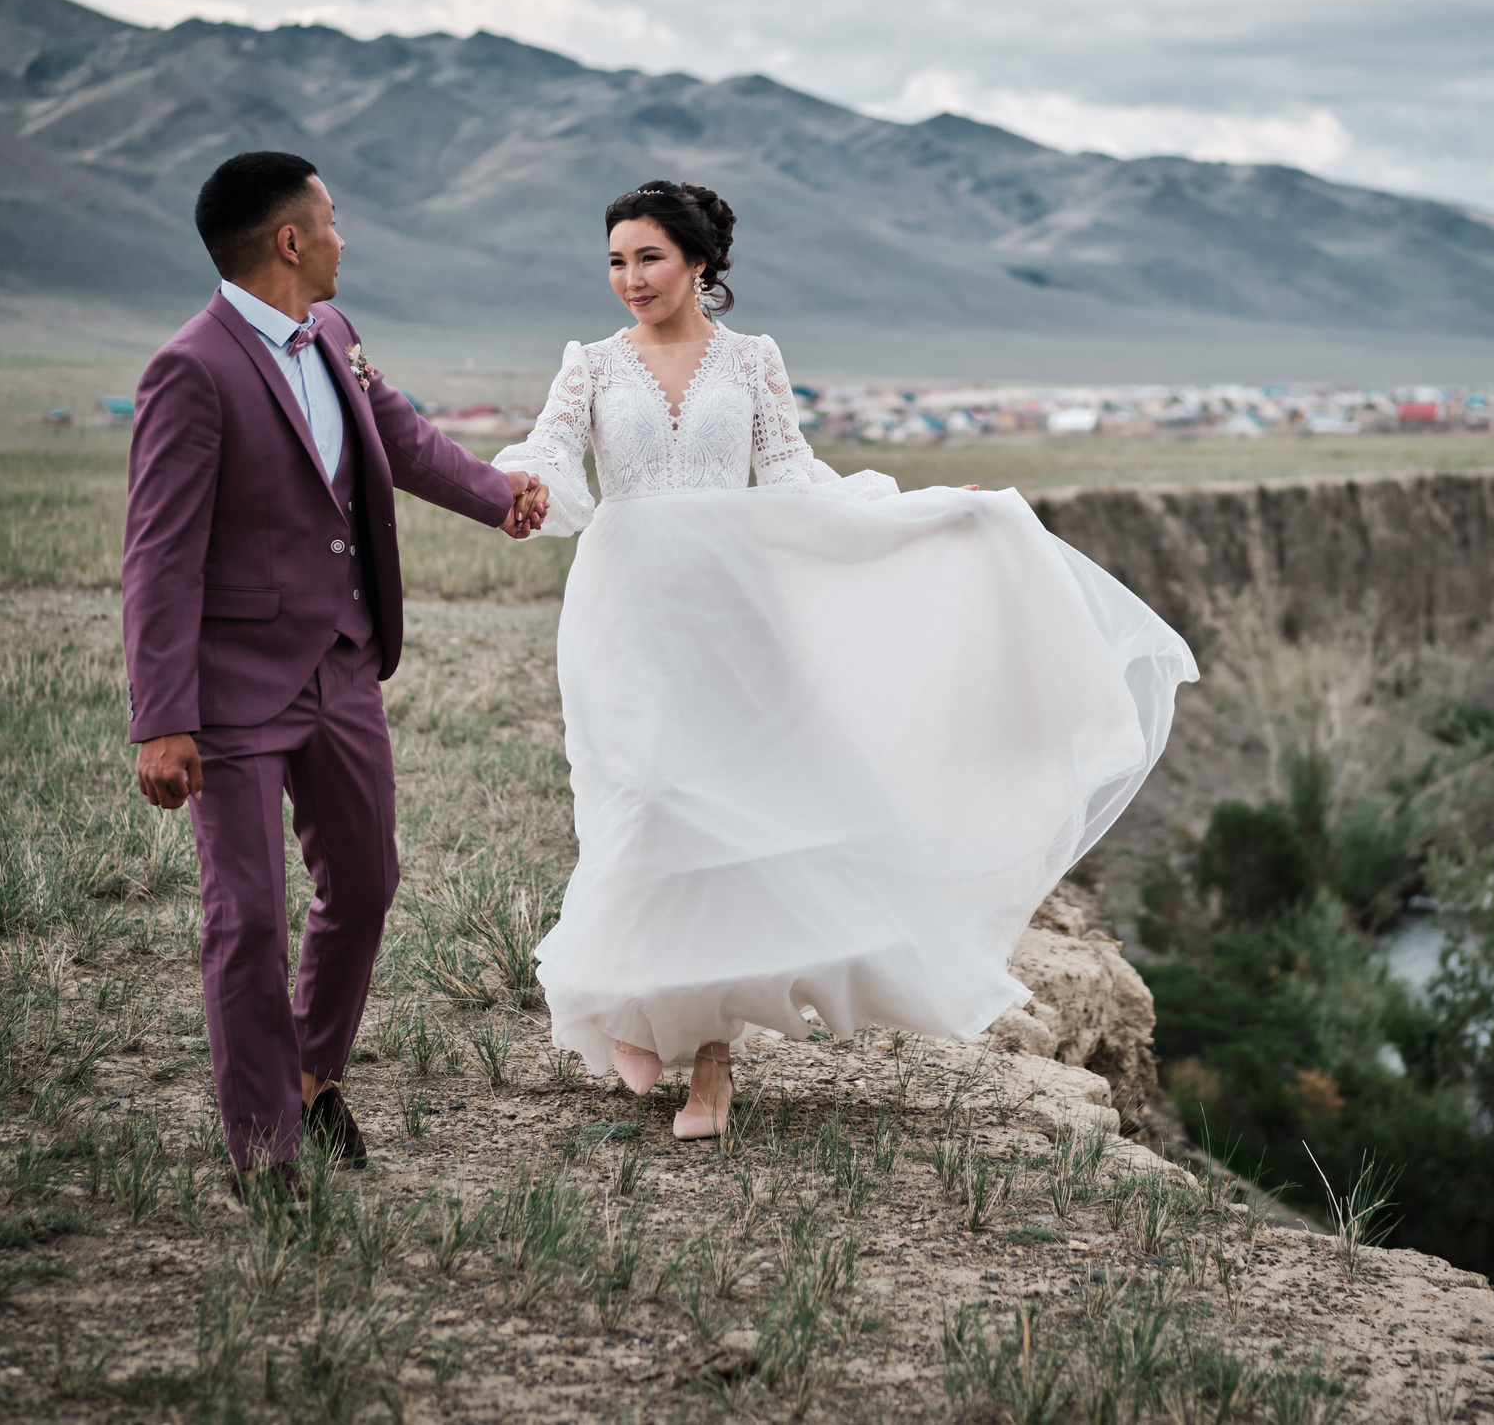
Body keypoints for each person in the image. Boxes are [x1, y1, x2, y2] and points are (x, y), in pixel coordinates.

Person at [493, 179, 1195, 1139]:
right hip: (625, 608)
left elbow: (795, 483)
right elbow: (552, 460)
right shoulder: (590, 366)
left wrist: (929, 508)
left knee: (723, 820)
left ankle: (710, 1064)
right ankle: (629, 1002)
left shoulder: (752, 362)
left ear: (699, 261)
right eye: (616, 260)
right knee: (639, 801)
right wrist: (512, 482)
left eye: (648, 257)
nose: (630, 278)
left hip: (734, 611)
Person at [120, 151, 546, 1197]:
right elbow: (159, 555)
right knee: (248, 916)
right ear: (290, 240)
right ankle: (263, 1146)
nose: (346, 236)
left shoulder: (338, 337)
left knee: (364, 884)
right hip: (230, 690)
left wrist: (498, 494)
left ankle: (311, 1073)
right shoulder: (191, 368)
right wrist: (160, 718)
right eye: (334, 219)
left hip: (344, 668)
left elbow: (393, 436)